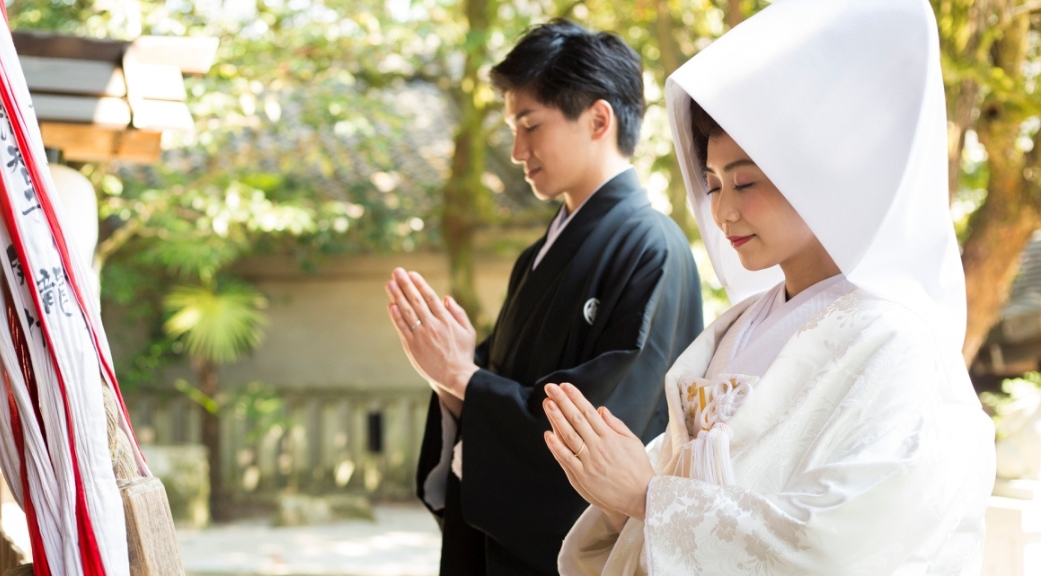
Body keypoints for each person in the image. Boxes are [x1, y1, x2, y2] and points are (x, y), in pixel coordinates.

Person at [542, 0, 996, 573]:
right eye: (711, 185)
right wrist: (617, 500)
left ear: (821, 176)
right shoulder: (737, 326)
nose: (724, 212)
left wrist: (646, 499)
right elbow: (660, 495)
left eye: (746, 182)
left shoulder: (896, 341)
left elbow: (842, 544)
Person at [384, 19, 703, 575]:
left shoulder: (653, 247)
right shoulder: (535, 258)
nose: (515, 150)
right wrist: (452, 379)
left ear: (598, 119)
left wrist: (463, 378)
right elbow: (498, 387)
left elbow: (605, 428)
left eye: (530, 125)